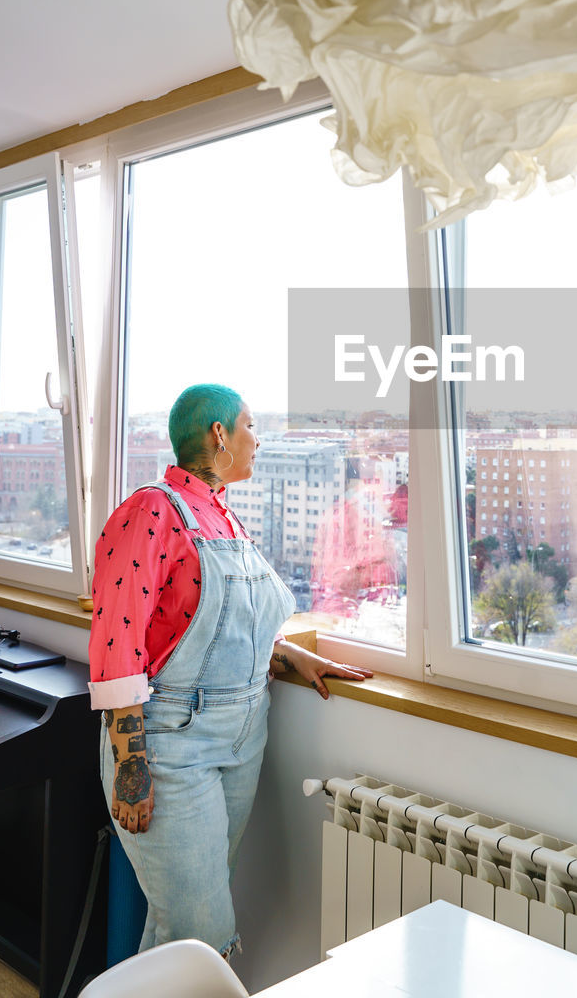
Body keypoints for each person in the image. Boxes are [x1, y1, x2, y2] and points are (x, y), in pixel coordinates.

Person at [88, 384, 371, 959]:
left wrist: (292, 656)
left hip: (242, 739)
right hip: (172, 746)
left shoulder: (221, 516)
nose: (257, 439)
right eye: (249, 425)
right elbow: (118, 643)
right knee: (201, 935)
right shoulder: (151, 510)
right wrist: (132, 766)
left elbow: (219, 629)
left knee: (178, 933)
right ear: (219, 434)